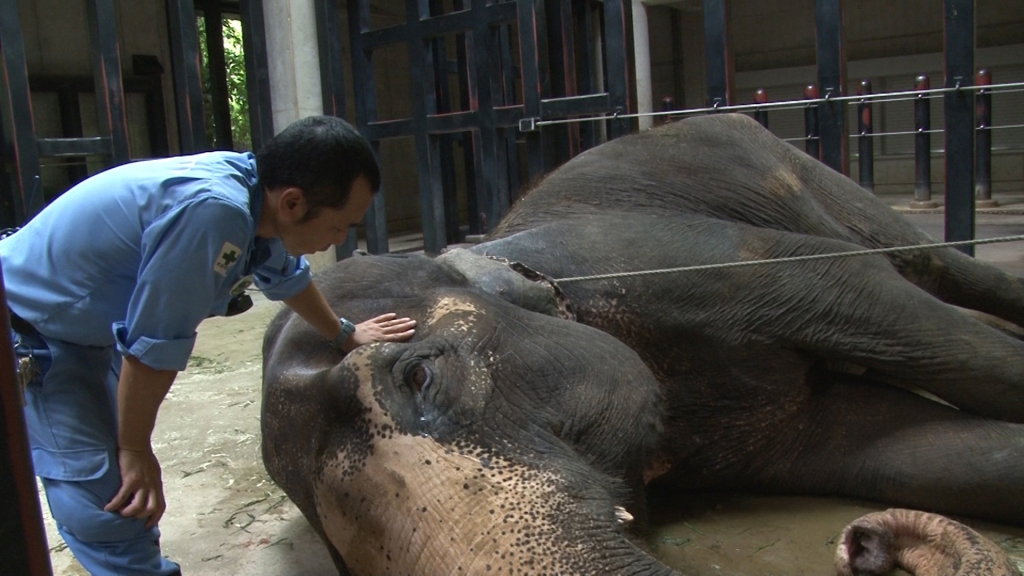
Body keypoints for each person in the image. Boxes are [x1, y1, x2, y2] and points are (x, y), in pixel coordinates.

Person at [0, 115, 416, 575]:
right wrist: (136, 450)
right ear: (294, 202)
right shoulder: (213, 213)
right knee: (113, 498)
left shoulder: (258, 196)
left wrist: (344, 333)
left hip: (87, 327)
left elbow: (285, 274)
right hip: (33, 328)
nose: (340, 239)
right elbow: (153, 346)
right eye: (340, 226)